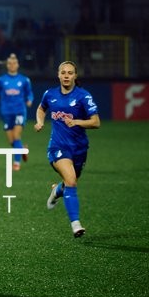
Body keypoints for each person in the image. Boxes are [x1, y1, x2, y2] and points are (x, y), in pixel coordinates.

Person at [34, 60, 100, 238]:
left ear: (75, 76)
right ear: (58, 75)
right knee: (71, 181)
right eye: (63, 72)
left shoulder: (83, 96)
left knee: (69, 183)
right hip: (57, 147)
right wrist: (40, 122)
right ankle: (76, 224)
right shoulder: (50, 94)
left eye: (70, 73)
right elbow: (41, 109)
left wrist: (77, 121)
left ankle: (56, 191)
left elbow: (96, 122)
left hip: (79, 149)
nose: (66, 76)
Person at [0, 53, 34, 171]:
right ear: (7, 65)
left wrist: (29, 100)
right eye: (9, 63)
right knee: (12, 141)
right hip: (6, 111)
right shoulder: (1, 80)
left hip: (19, 110)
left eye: (14, 63)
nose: (12, 65)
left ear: (18, 65)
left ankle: (16, 163)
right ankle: (22, 150)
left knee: (16, 135)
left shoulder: (24, 80)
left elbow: (30, 93)